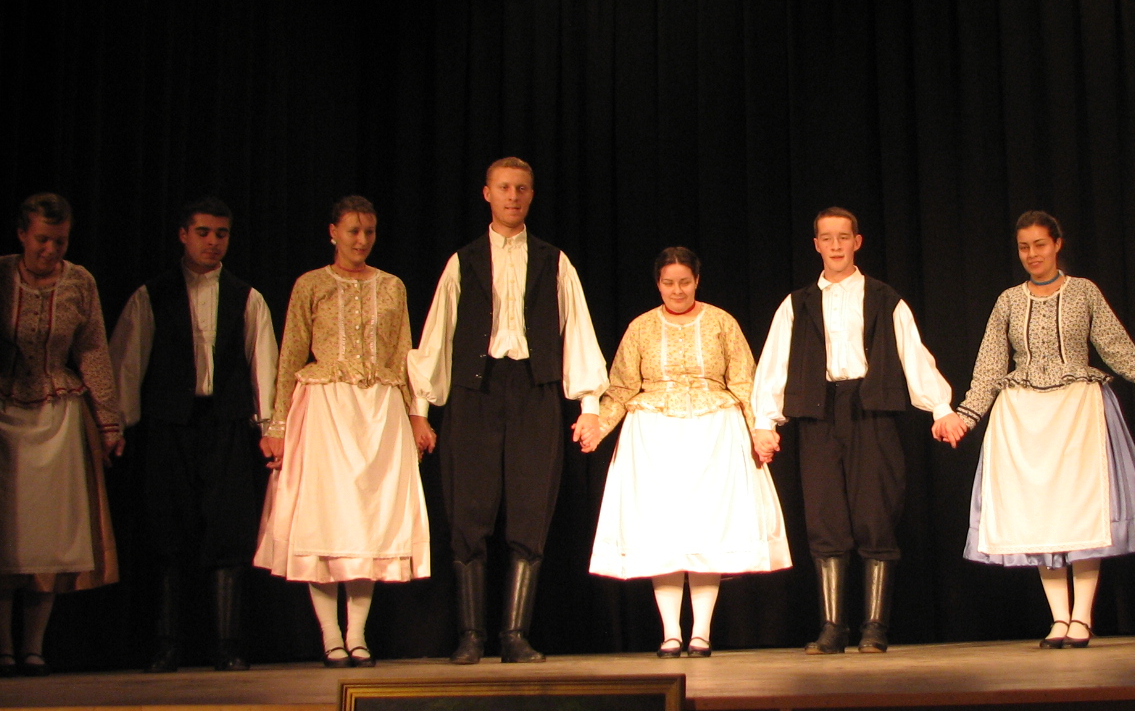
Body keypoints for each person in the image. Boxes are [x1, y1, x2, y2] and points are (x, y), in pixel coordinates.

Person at [409, 158, 607, 664]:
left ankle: (514, 635)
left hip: (534, 391)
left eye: (521, 188)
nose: (513, 196)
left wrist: (589, 404)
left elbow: (577, 330)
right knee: (468, 513)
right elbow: (437, 335)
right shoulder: (464, 261)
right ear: (487, 193)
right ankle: (471, 636)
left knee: (530, 511)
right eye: (504, 188)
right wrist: (420, 409)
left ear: (531, 195)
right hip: (475, 392)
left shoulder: (554, 261)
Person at [750, 207, 966, 654]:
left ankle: (874, 627)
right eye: (827, 238)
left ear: (857, 242)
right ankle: (833, 628)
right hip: (818, 412)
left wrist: (940, 407)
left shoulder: (885, 299)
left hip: (871, 410)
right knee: (825, 517)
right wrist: (764, 421)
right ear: (816, 245)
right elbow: (774, 363)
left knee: (875, 514)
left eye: (843, 237)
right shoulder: (796, 304)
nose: (835, 245)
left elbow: (913, 354)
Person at [955, 213, 1135, 647]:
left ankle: (1082, 617)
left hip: (1077, 410)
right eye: (1024, 247)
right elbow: (990, 365)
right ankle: (1059, 618)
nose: (1032, 254)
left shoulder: (1083, 291)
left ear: (1057, 244)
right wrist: (967, 415)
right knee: (1041, 514)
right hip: (1025, 417)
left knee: (1082, 510)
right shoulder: (1009, 301)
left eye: (1039, 244)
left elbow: (1114, 345)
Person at [580, 248, 791, 657]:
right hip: (655, 437)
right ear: (658, 284)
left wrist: (761, 429)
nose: (676, 290)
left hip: (714, 433)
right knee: (665, 532)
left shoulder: (721, 322)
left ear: (697, 281)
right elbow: (622, 387)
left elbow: (745, 382)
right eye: (668, 282)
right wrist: (598, 426)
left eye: (684, 282)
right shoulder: (641, 327)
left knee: (706, 531)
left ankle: (702, 632)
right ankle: (671, 632)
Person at [255, 196, 433, 667]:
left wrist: (416, 414)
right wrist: (277, 425)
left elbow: (403, 353)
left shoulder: (391, 286)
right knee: (326, 519)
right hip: (326, 409)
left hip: (378, 412)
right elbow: (291, 355)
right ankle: (330, 635)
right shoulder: (311, 285)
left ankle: (357, 634)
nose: (362, 240)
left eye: (369, 231)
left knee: (368, 523)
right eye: (353, 230)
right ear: (333, 232)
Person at [111, 198, 279, 671]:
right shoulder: (153, 295)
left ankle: (228, 645)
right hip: (169, 425)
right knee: (167, 531)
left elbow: (264, 364)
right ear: (183, 235)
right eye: (203, 232)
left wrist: (270, 426)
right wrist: (118, 423)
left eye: (221, 233)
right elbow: (127, 362)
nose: (212, 242)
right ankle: (167, 645)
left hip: (225, 424)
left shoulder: (246, 297)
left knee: (228, 530)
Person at [0, 193, 122, 677]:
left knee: (45, 535)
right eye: (42, 240)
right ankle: (2, 647)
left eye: (60, 241)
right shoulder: (2, 274)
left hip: (56, 415)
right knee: (7, 532)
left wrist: (108, 420)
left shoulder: (79, 282)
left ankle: (33, 647)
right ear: (22, 235)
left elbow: (92, 350)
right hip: (4, 410)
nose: (51, 250)